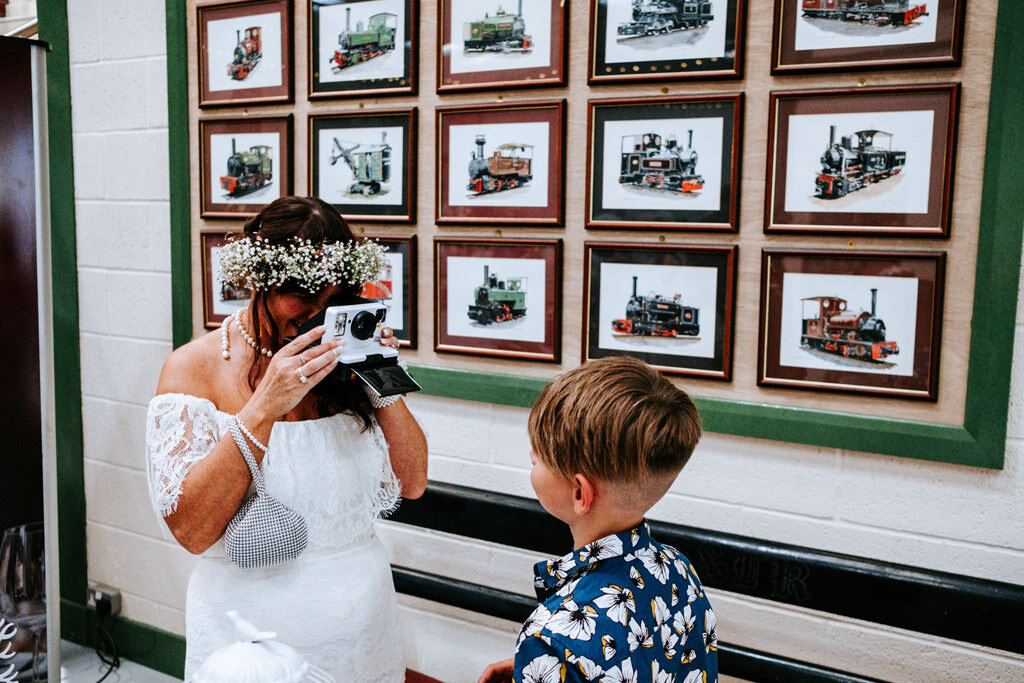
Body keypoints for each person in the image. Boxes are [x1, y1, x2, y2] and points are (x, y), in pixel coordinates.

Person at [145, 196, 427, 681]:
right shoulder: (194, 368)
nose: (316, 314)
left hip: (361, 623)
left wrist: (382, 379)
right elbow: (190, 530)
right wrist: (264, 406)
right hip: (250, 636)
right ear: (261, 282)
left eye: (334, 299)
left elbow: (413, 482)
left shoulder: (343, 359)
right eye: (302, 295)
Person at [479, 356, 717, 683]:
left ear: (580, 493)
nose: (531, 457)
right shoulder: (678, 568)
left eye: (541, 455)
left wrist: (547, 660)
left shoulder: (550, 638)